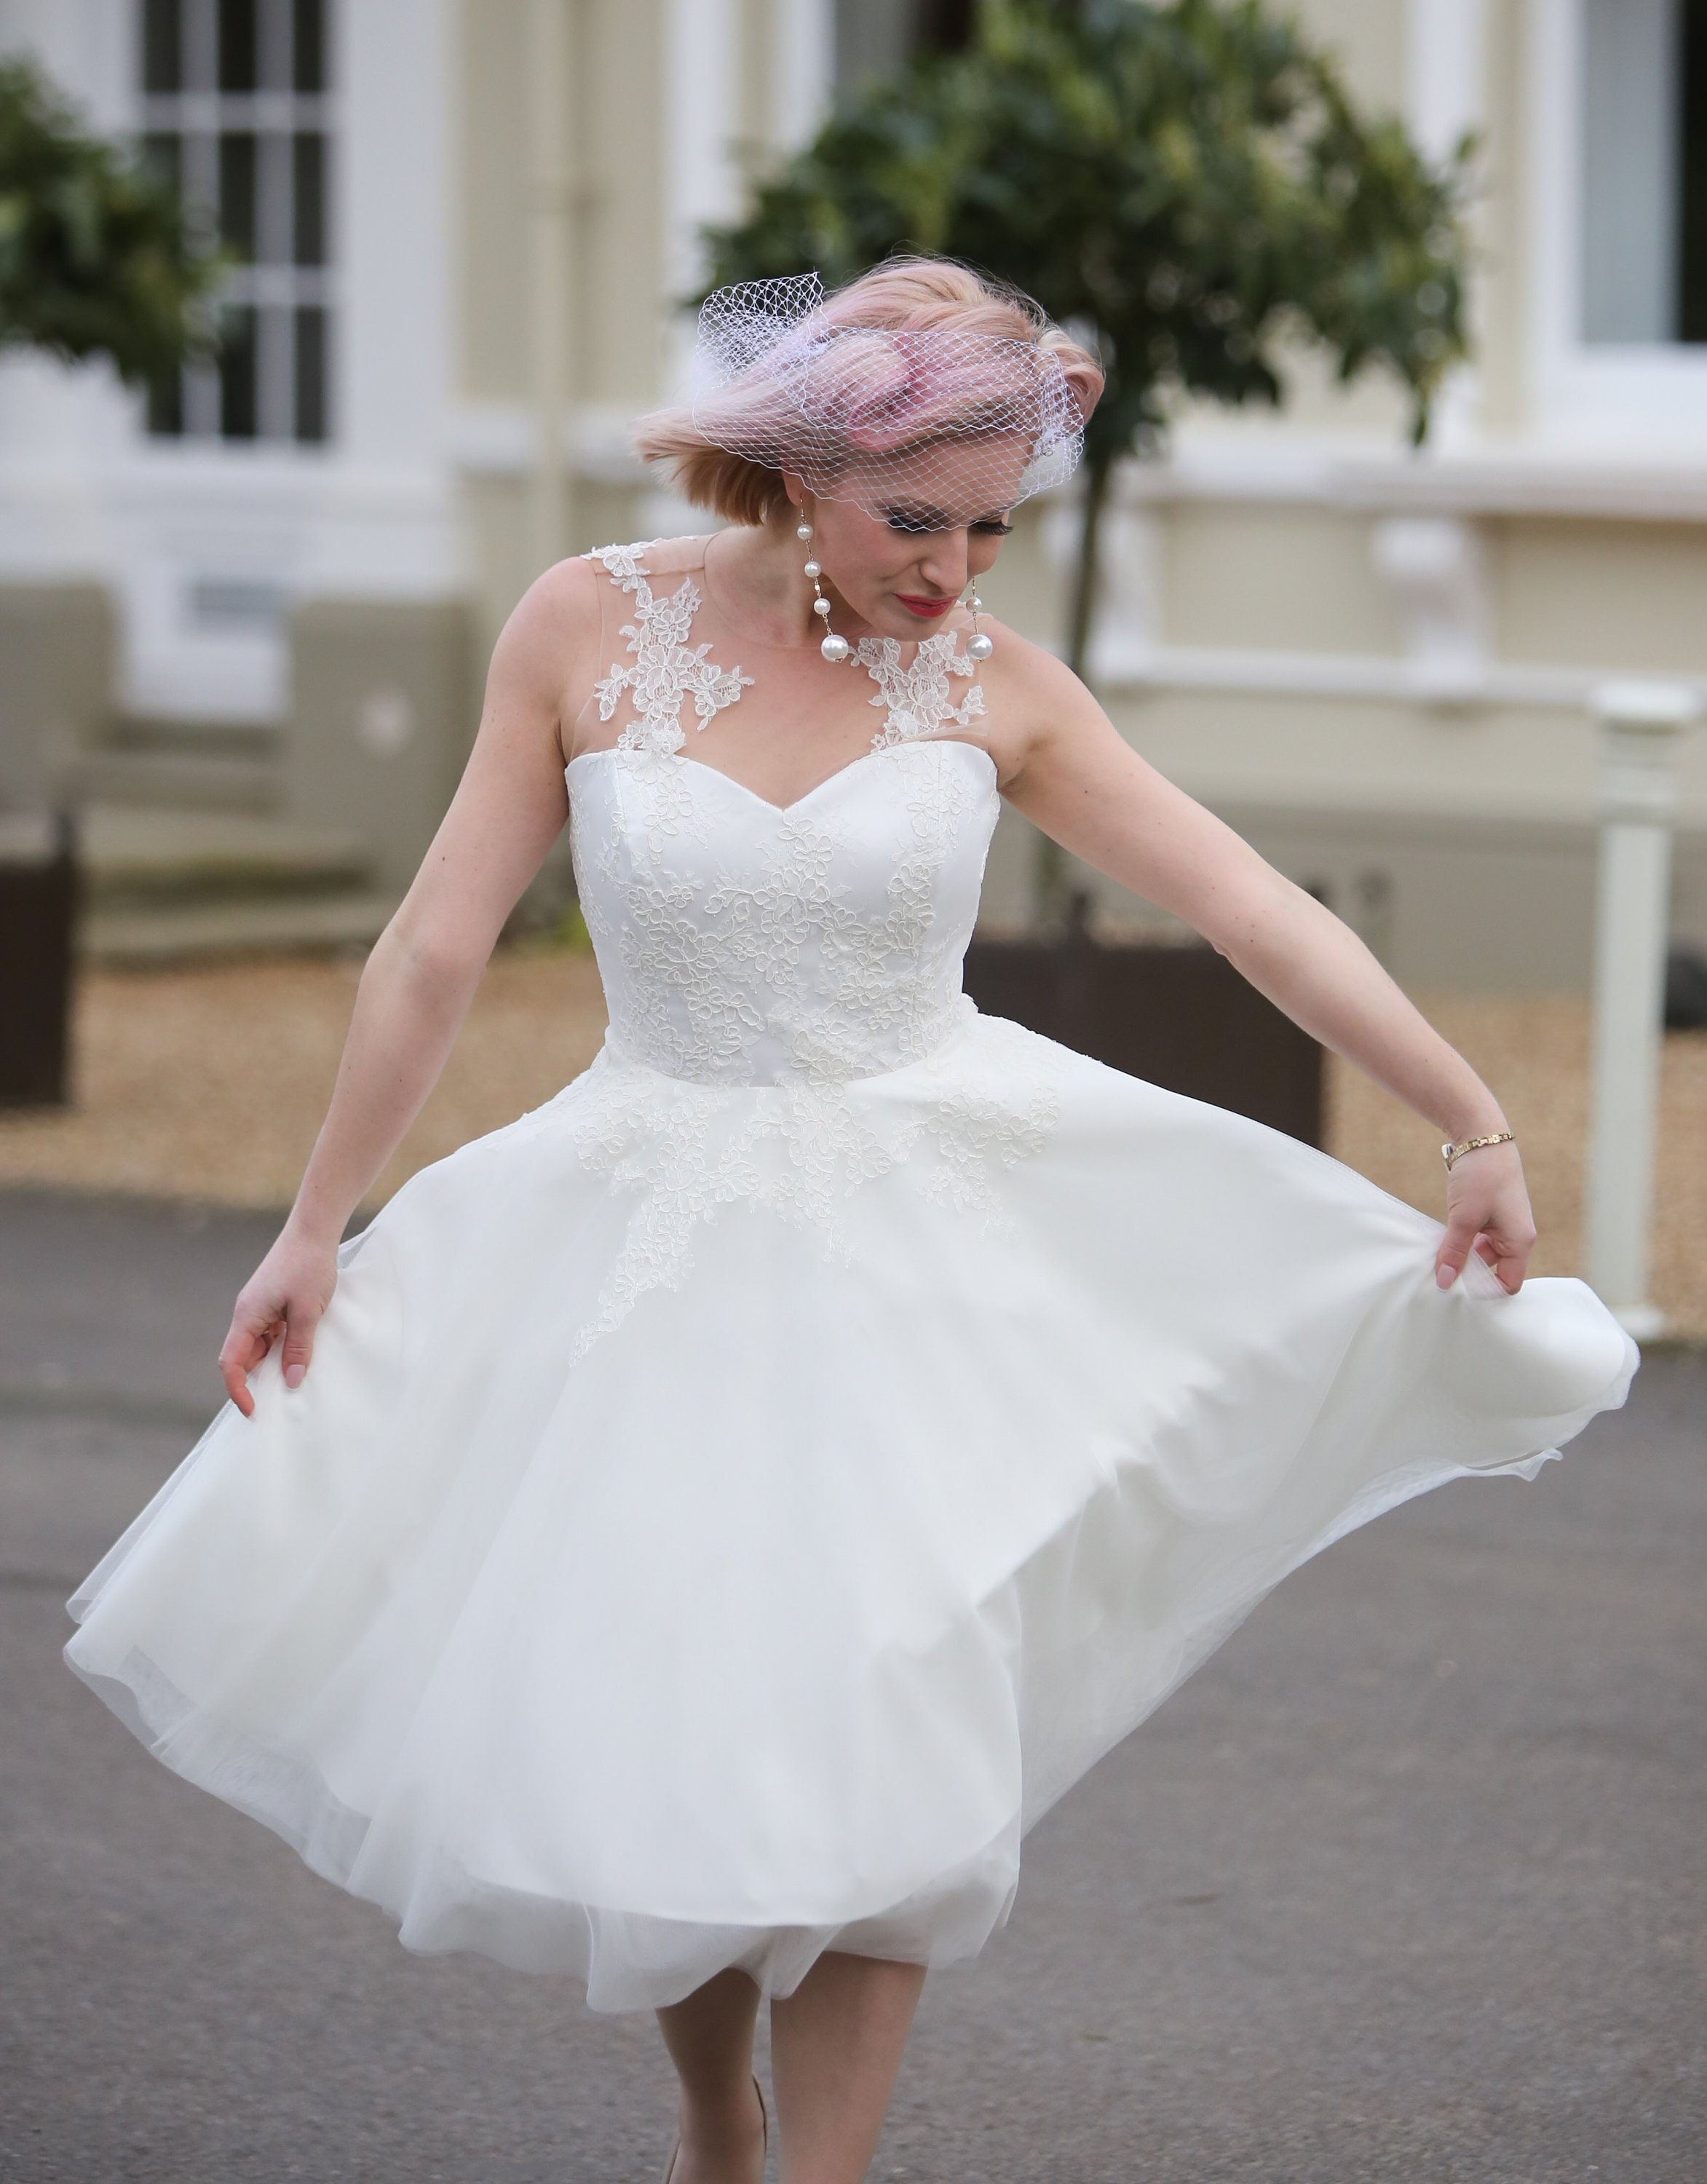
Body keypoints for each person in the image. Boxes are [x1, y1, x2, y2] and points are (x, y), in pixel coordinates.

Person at [64, 259, 1638, 2184]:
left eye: (992, 526)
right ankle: (709, 2119)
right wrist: (315, 1225)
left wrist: (1466, 1117)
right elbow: (431, 950)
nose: (956, 569)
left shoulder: (1002, 692)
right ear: (800, 468)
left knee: (894, 1720)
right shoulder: (582, 628)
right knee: (681, 1733)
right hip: (645, 1225)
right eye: (917, 519)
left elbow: (1250, 908)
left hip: (940, 1240)